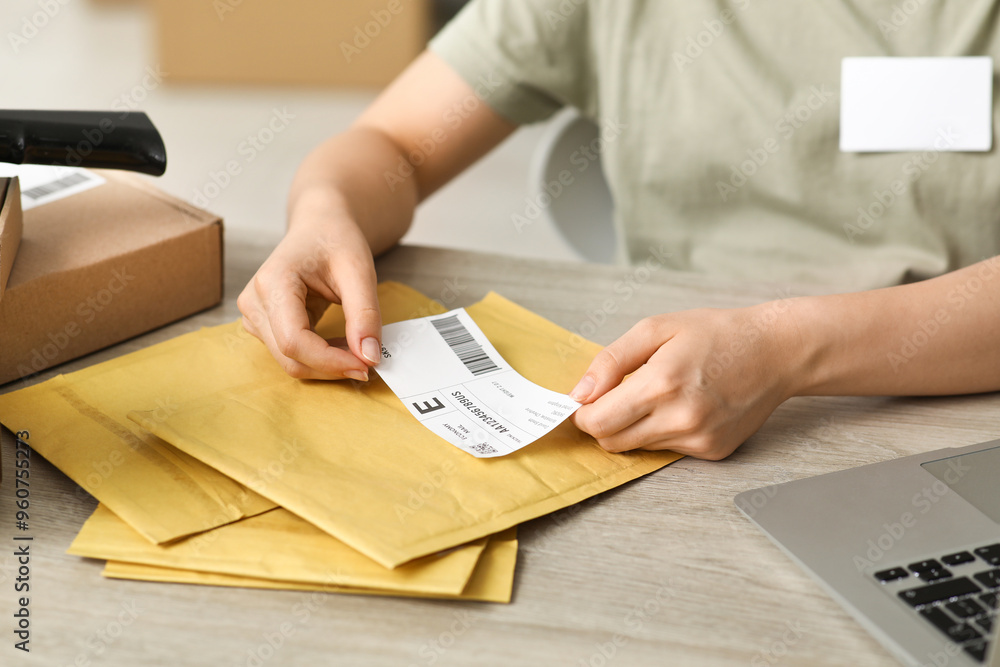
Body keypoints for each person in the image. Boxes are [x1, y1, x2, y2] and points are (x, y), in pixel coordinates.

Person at [238, 0, 1000, 461]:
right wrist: (323, 214)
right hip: (669, 422)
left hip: (954, 412)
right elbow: (393, 146)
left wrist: (784, 346)